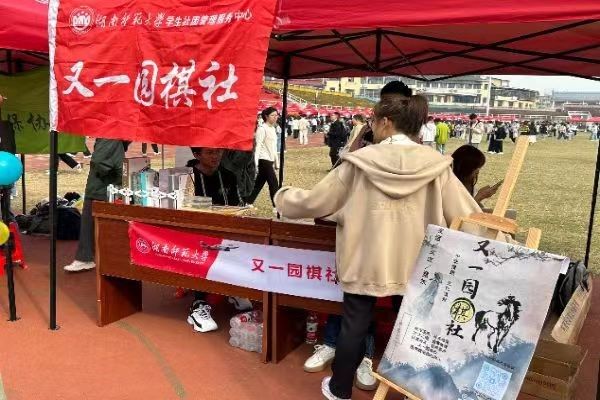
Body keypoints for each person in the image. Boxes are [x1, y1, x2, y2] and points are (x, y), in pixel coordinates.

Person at [274, 94, 481, 400]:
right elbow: (469, 215)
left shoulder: (359, 162)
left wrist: (283, 196)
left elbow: (315, 202)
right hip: (419, 264)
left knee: (354, 324)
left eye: (372, 121)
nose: (371, 126)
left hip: (365, 258)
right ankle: (416, 391)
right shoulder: (437, 166)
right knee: (415, 327)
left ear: (385, 122)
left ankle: (340, 389)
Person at [185, 147, 252, 332]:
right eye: (210, 153)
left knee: (242, 243)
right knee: (202, 248)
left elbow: (237, 206)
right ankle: (199, 303)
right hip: (197, 233)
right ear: (197, 155)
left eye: (218, 152)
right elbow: (185, 209)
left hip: (226, 230)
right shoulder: (187, 177)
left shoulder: (228, 176)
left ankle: (233, 289)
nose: (216, 156)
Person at [64, 139, 126, 272]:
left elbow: (99, 161)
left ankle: (86, 258)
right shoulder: (114, 136)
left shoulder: (109, 135)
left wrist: (106, 171)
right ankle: (91, 257)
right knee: (103, 223)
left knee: (90, 221)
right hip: (107, 185)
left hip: (100, 186)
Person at [247, 107, 279, 211]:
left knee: (259, 182)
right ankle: (276, 206)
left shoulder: (273, 129)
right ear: (266, 116)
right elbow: (258, 146)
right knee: (273, 182)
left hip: (270, 159)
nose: (275, 117)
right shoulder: (262, 128)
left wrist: (276, 162)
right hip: (263, 159)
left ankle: (248, 201)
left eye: (276, 115)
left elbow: (274, 147)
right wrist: (256, 162)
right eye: (273, 115)